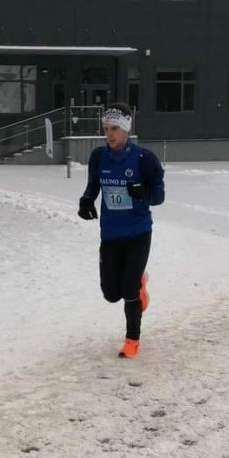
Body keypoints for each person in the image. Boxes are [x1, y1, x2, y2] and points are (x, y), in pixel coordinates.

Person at [78, 103, 165, 358]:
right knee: (110, 294)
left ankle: (131, 340)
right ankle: (140, 283)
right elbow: (93, 185)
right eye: (106, 129)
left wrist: (143, 194)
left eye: (115, 128)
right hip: (110, 234)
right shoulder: (99, 157)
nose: (110, 134)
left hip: (138, 233)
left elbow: (159, 197)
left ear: (126, 129)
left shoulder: (144, 159)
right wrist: (86, 201)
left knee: (128, 291)